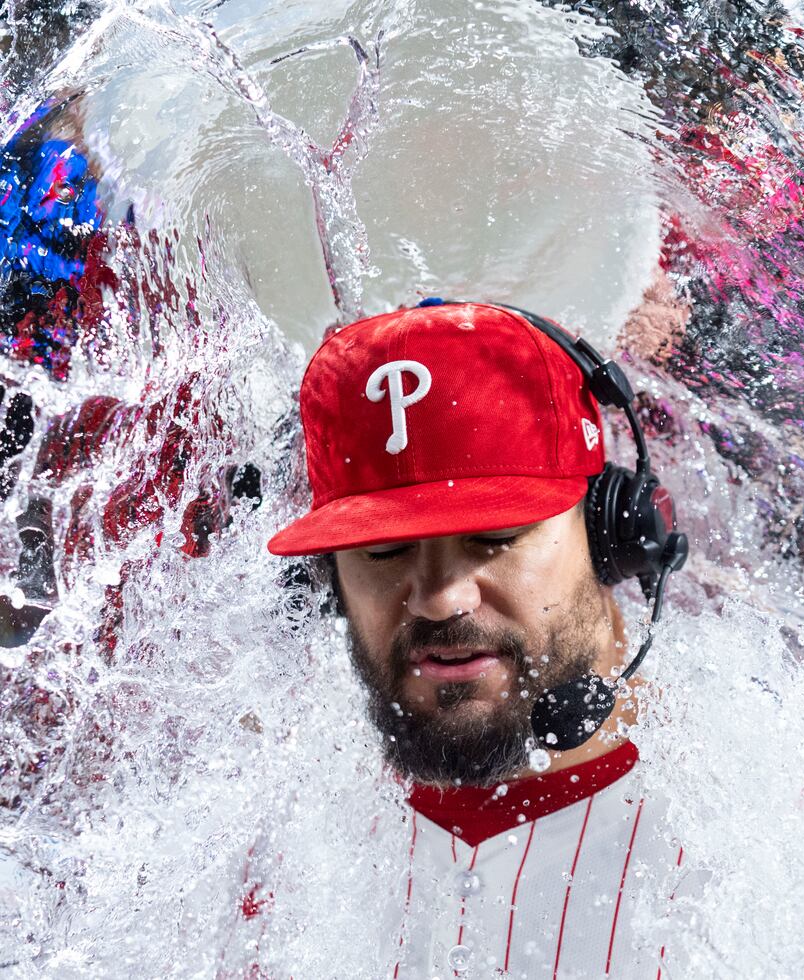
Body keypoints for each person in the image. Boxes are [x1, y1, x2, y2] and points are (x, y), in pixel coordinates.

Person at [263, 299, 697, 978]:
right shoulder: (246, 856)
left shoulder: (774, 854)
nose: (439, 597)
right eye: (382, 551)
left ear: (615, 540)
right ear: (327, 585)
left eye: (496, 537)